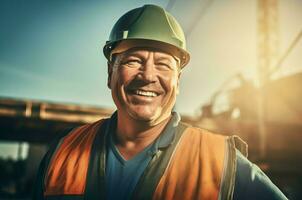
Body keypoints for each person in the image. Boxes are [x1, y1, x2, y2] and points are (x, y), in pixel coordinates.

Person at [34, 4, 287, 200]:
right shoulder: (61, 155)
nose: (147, 76)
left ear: (178, 81)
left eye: (163, 65)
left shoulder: (221, 163)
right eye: (133, 60)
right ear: (110, 73)